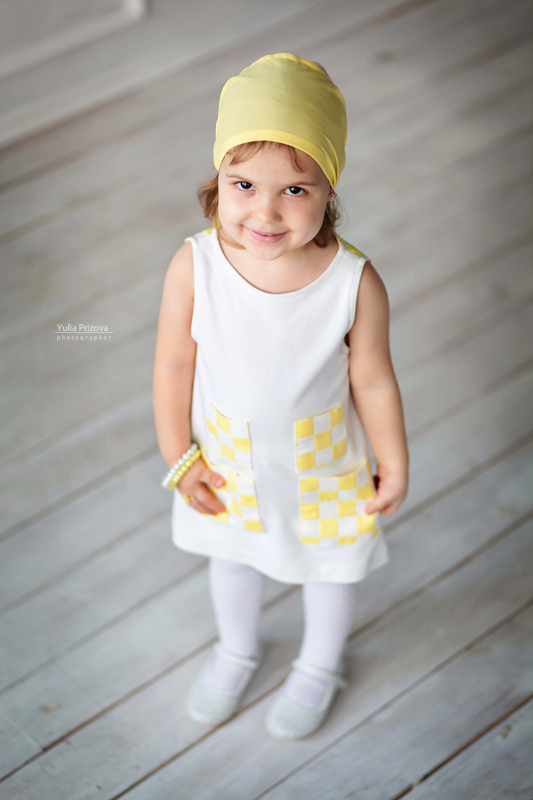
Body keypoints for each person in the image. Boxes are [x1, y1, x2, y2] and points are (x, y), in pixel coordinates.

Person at [153, 53, 409, 740]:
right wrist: (179, 457)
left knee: (331, 567)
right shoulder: (196, 266)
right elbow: (174, 364)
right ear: (218, 180)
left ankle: (319, 665)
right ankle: (236, 649)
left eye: (294, 189)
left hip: (323, 464)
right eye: (243, 184)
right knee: (232, 555)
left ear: (329, 188)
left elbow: (373, 377)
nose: (264, 211)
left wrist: (393, 460)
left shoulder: (353, 282)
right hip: (227, 459)